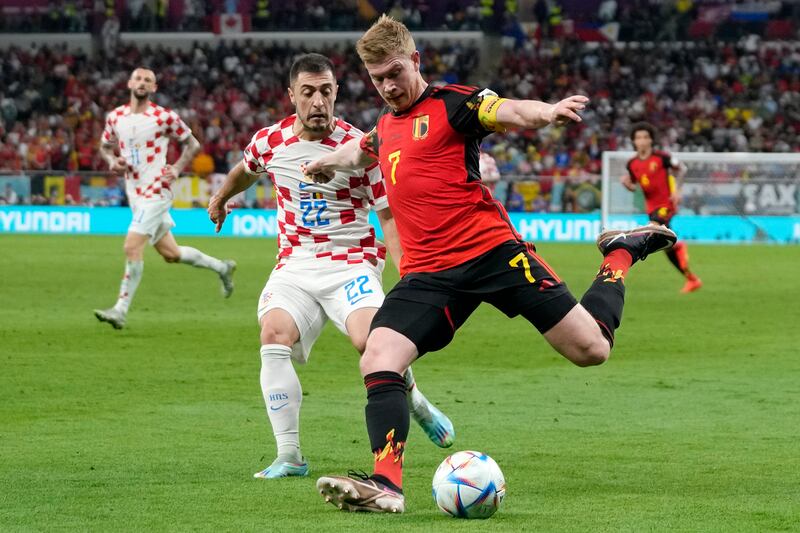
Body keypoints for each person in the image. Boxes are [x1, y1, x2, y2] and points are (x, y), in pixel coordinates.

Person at [303, 15, 677, 514]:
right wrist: (326, 162)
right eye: (377, 78)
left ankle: (621, 252)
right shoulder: (386, 127)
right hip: (430, 276)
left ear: (415, 61)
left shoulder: (454, 104)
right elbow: (360, 150)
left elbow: (508, 111)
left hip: (493, 255)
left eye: (395, 72)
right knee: (377, 356)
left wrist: (545, 111)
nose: (388, 86)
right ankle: (385, 485)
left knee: (591, 349)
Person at [207, 53, 455, 480]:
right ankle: (290, 456)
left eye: (326, 91)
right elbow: (245, 170)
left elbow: (388, 213)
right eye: (308, 93)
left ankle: (415, 402)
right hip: (296, 266)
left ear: (336, 92)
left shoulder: (361, 148)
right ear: (292, 96)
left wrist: (407, 269)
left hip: (351, 264)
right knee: (273, 334)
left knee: (373, 343)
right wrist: (220, 198)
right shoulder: (271, 141)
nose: (318, 101)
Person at [94, 67, 236, 330]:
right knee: (171, 253)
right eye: (138, 78)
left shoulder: (163, 117)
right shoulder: (116, 117)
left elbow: (192, 143)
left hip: (157, 190)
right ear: (129, 83)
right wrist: (113, 161)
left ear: (154, 88)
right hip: (134, 192)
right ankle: (222, 268)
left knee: (131, 246)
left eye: (148, 80)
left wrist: (178, 168)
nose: (142, 83)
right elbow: (104, 146)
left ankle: (120, 310)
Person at [622, 122, 702, 293]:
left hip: (666, 204)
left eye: (645, 137)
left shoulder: (662, 158)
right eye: (638, 138)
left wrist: (678, 191)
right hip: (651, 207)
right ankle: (691, 278)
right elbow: (634, 184)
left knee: (653, 230)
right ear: (634, 142)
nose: (642, 141)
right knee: (666, 247)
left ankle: (620, 269)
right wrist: (627, 184)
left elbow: (682, 169)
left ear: (651, 140)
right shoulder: (632, 164)